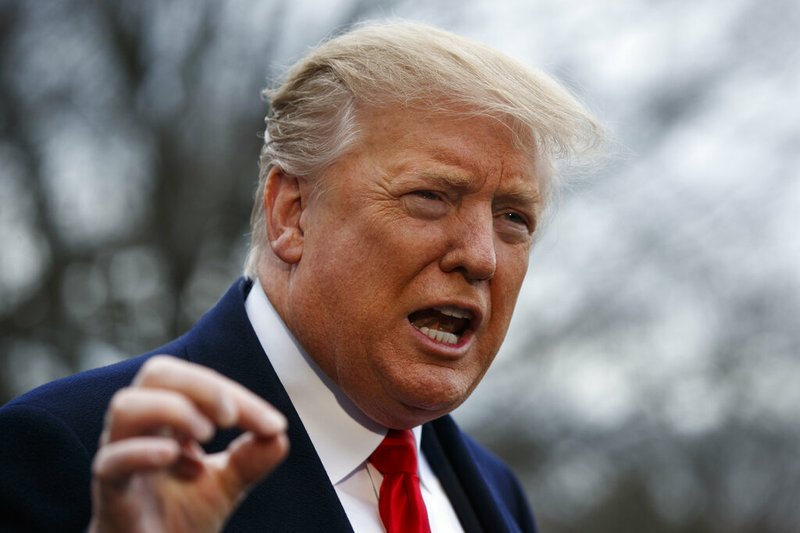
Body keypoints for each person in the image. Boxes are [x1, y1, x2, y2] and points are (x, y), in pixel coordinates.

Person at [0, 20, 603, 532]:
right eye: (430, 196)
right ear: (292, 214)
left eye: (513, 218)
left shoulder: (499, 496)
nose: (481, 256)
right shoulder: (69, 453)